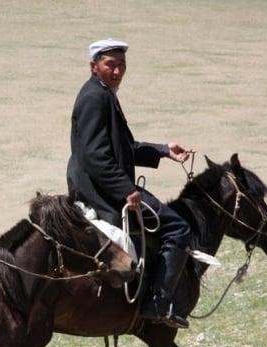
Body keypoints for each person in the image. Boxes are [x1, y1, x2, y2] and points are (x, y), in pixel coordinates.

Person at [66, 38, 193, 329]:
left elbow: (123, 148)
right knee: (177, 227)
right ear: (93, 66)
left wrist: (163, 150)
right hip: (100, 189)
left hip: (104, 182)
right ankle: (158, 305)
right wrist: (125, 189)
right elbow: (95, 156)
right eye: (111, 64)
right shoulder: (94, 98)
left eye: (122, 65)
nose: (118, 71)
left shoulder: (102, 94)